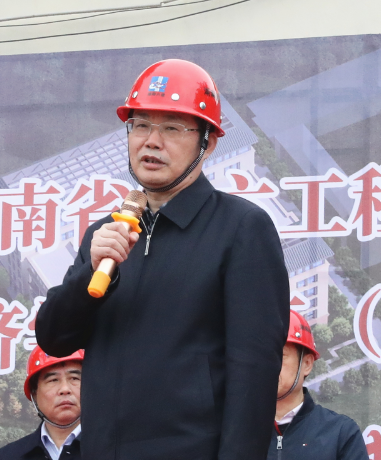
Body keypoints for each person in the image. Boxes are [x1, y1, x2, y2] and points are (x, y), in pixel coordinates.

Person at [36, 59, 289, 460]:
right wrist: (92, 271)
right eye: (140, 125)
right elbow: (54, 337)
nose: (151, 142)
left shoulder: (241, 228)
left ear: (208, 142)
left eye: (172, 128)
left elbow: (253, 372)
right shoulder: (107, 234)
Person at [268, 310, 368, 460]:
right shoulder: (237, 430)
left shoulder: (341, 433)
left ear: (307, 364)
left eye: (280, 355)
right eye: (262, 357)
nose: (268, 365)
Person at [0, 346, 83, 460]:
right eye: (53, 380)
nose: (65, 389)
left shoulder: (105, 448)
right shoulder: (9, 456)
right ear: (34, 394)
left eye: (74, 378)